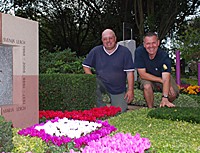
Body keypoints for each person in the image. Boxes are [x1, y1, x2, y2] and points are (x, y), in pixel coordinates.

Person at [82, 29, 135, 112]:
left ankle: (114, 107)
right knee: (90, 83)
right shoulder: (96, 51)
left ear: (115, 38)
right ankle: (102, 109)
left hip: (118, 88)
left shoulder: (125, 52)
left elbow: (129, 72)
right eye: (105, 39)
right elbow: (85, 66)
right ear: (102, 40)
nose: (108, 41)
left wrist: (130, 90)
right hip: (102, 83)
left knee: (119, 112)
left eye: (110, 38)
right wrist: (91, 79)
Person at [134, 32, 179, 108]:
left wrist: (165, 97)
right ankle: (150, 108)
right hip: (147, 76)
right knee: (147, 86)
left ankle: (163, 105)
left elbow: (166, 77)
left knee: (173, 93)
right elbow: (142, 74)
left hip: (162, 75)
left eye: (153, 43)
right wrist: (160, 80)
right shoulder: (139, 52)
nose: (151, 46)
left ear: (158, 42)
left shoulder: (164, 56)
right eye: (148, 43)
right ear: (144, 44)